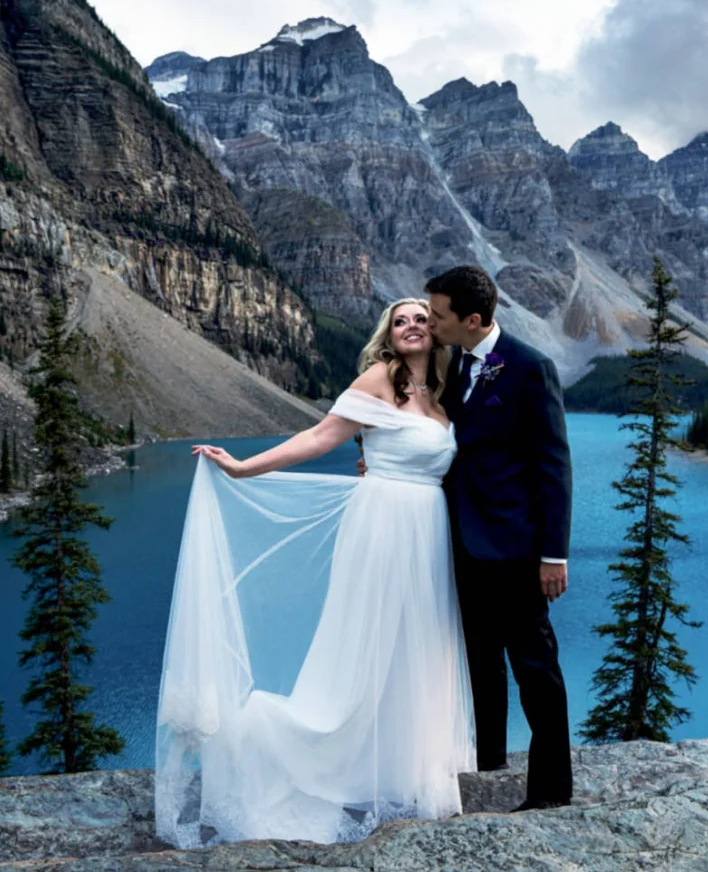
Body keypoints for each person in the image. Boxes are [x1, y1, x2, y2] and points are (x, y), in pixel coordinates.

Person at [153, 299, 474, 848]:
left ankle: (404, 767)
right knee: (365, 645)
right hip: (382, 527)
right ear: (388, 336)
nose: (413, 325)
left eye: (422, 317)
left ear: (438, 329)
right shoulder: (376, 380)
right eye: (401, 320)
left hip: (427, 531)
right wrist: (242, 468)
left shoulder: (445, 392)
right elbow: (319, 438)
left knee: (419, 647)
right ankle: (304, 750)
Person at [423, 265, 574, 810]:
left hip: (516, 550)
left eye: (439, 315)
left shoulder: (531, 367)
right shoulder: (450, 361)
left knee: (534, 669)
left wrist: (553, 555)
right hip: (461, 545)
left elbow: (553, 466)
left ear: (473, 319)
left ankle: (552, 792)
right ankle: (488, 766)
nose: (431, 323)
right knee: (478, 661)